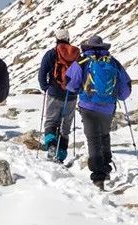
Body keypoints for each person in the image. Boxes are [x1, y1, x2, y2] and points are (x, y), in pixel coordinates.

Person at [65, 35, 132, 189]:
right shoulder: (113, 62)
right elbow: (125, 89)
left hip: (88, 106)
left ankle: (98, 176)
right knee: (104, 135)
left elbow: (70, 83)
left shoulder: (82, 61)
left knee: (93, 139)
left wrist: (79, 89)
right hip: (108, 107)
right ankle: (106, 166)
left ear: (88, 47)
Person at [38, 28, 81, 162]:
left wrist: (46, 87)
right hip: (71, 95)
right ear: (68, 38)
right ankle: (61, 155)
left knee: (51, 122)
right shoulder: (76, 54)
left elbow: (42, 73)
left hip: (54, 93)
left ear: (56, 39)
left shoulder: (52, 53)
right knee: (65, 126)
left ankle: (51, 146)